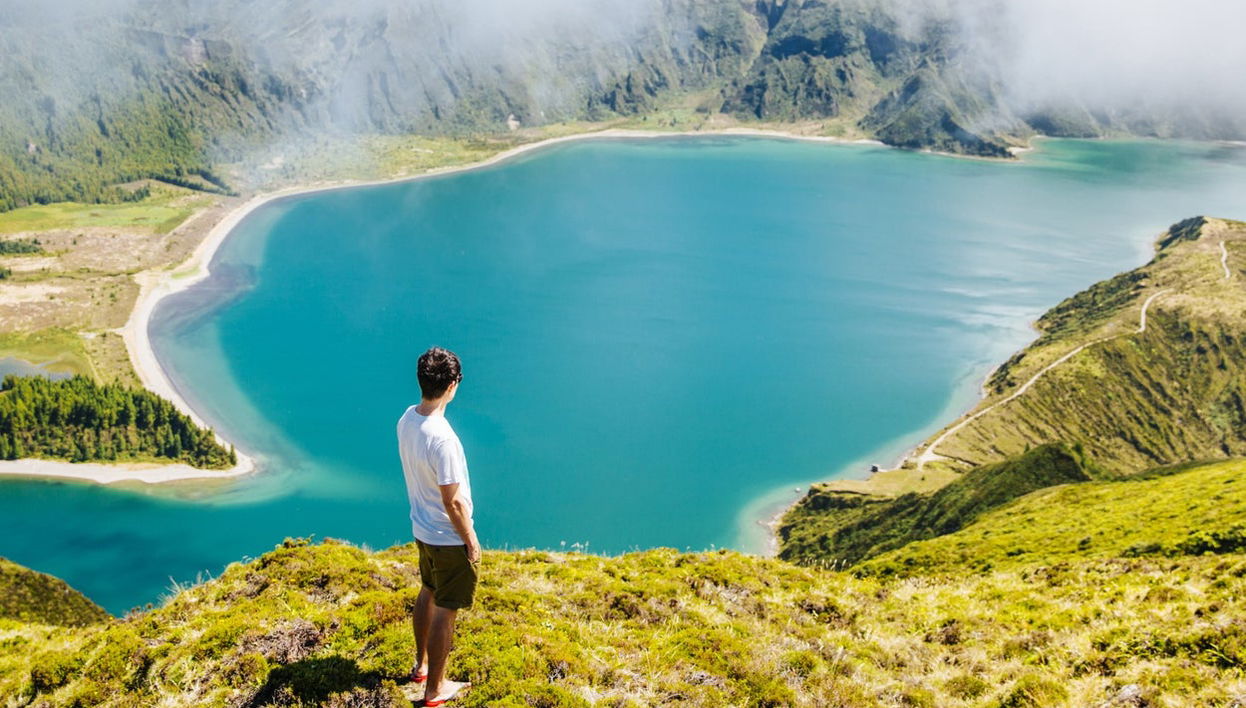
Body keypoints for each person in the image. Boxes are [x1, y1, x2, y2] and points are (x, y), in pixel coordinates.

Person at [397, 347, 480, 706]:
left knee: (428, 590)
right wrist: (471, 541)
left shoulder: (407, 419)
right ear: (451, 385)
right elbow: (454, 501)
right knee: (447, 608)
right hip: (447, 537)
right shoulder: (443, 438)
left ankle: (421, 666)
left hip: (422, 530)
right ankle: (434, 690)